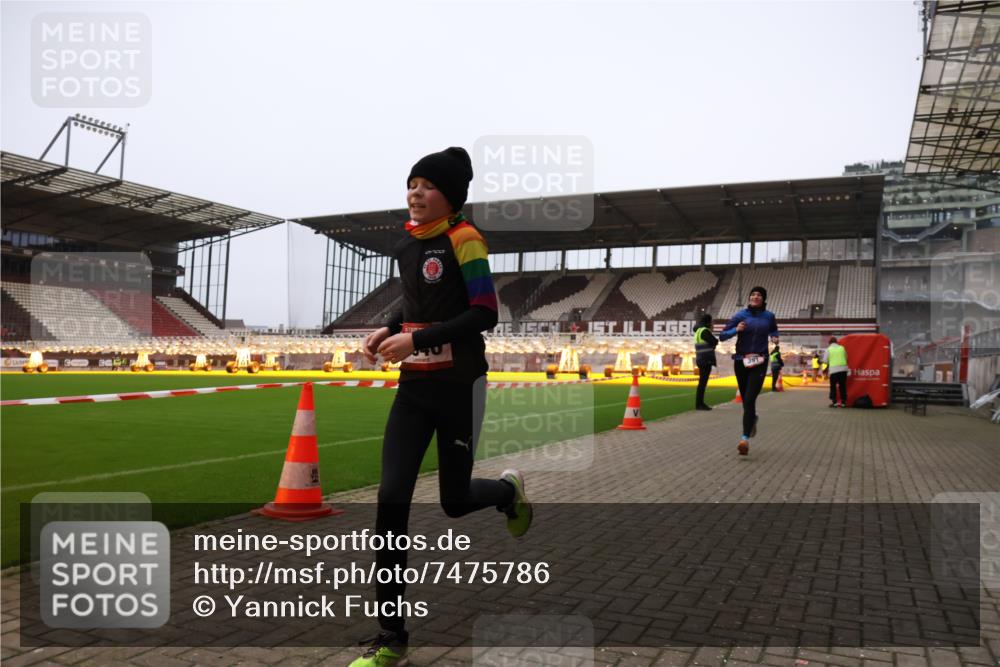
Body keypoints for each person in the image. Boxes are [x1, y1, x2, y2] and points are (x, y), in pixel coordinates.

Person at [352, 147, 531, 667]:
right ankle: (391, 638)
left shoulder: (466, 240)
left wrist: (419, 338)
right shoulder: (407, 247)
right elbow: (414, 302)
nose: (415, 192)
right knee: (390, 503)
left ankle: (506, 491)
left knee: (454, 500)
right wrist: (388, 328)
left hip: (460, 387)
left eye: (427, 185)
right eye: (411, 183)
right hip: (414, 392)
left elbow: (484, 312)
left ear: (449, 196)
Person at [719, 286, 779, 456]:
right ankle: (752, 419)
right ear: (749, 298)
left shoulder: (769, 316)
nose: (755, 296)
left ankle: (744, 439)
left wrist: (774, 336)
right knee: (746, 400)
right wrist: (735, 330)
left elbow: (774, 329)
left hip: (760, 360)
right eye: (753, 294)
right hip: (741, 360)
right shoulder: (740, 315)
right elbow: (722, 336)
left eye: (759, 295)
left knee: (751, 398)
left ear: (763, 299)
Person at [693, 313, 718, 410]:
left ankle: (699, 403)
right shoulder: (704, 331)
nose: (712, 323)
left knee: (702, 383)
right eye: (711, 321)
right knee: (703, 383)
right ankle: (700, 404)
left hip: (700, 358)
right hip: (706, 359)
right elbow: (714, 341)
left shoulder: (698, 331)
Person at [824, 336, 849, 407]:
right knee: (842, 386)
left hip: (834, 371)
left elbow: (825, 360)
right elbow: (846, 357)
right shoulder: (842, 348)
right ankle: (843, 403)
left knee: (833, 387)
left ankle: (834, 402)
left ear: (830, 343)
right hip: (843, 370)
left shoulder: (828, 349)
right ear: (836, 342)